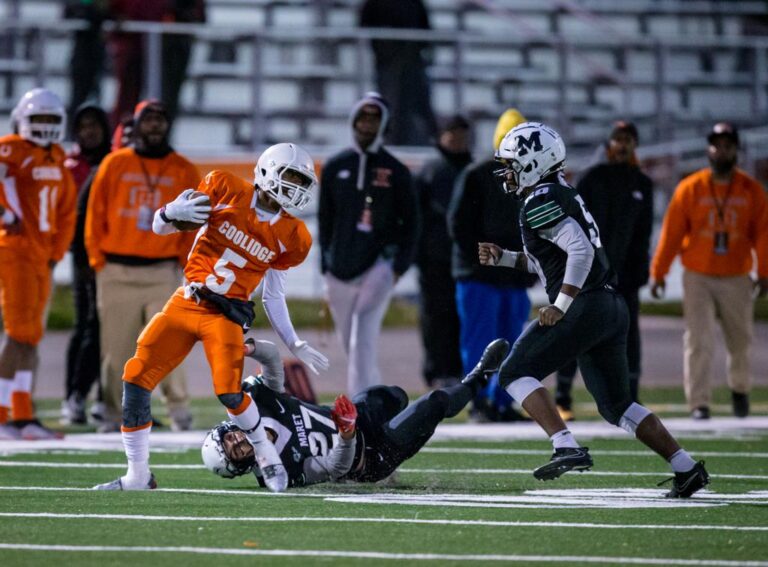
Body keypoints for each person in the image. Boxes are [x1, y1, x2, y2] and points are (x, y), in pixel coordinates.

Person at [482, 121, 709, 498]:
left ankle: (565, 444)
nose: (506, 173)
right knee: (617, 404)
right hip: (609, 304)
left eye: (510, 163)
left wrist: (561, 303)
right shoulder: (558, 194)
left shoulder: (539, 200)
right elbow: (549, 261)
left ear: (532, 161)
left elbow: (580, 252)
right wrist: (505, 258)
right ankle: (685, 467)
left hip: (585, 303)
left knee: (514, 372)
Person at [93, 142, 329, 492]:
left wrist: (294, 341)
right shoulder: (223, 187)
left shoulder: (294, 236)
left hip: (226, 314)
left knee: (230, 392)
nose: (295, 187)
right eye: (290, 175)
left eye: (301, 181)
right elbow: (161, 229)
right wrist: (169, 212)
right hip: (187, 299)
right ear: (267, 171)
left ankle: (267, 457)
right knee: (136, 376)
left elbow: (273, 294)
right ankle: (138, 475)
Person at [201, 337, 510, 488]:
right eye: (237, 452)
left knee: (394, 395)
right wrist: (347, 434)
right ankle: (479, 376)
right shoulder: (281, 472)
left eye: (230, 438)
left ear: (226, 428)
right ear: (242, 466)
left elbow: (271, 360)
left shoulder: (256, 402)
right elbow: (334, 468)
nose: (240, 441)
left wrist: (246, 346)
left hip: (358, 415)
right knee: (434, 404)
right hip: (369, 457)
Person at [85, 100, 199, 432]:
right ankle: (110, 411)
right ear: (136, 124)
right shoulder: (115, 163)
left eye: (160, 118)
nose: (154, 125)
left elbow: (197, 222)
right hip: (117, 270)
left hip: (163, 271)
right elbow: (94, 215)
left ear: (168, 124)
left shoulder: (183, 169)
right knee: (115, 351)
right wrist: (97, 261)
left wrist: (185, 264)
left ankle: (179, 411)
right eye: (147, 119)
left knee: (169, 345)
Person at [650, 122, 768, 420]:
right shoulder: (691, 188)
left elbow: (764, 234)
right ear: (708, 149)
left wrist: (763, 271)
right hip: (698, 273)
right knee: (698, 340)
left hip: (736, 274)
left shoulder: (751, 190)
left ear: (736, 150)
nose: (721, 150)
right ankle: (698, 402)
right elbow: (672, 233)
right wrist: (659, 272)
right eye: (717, 144)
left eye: (727, 145)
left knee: (740, 339)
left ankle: (740, 389)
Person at [319, 92, 419, 396]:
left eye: (374, 119)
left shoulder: (396, 171)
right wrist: (325, 263)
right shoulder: (336, 166)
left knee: (363, 329)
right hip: (339, 266)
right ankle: (375, 395)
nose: (367, 124)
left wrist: (399, 264)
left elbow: (413, 222)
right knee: (350, 338)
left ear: (383, 124)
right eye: (363, 117)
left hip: (380, 263)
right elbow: (325, 218)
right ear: (353, 120)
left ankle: (360, 404)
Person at [553, 121, 654, 420]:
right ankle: (563, 397)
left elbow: (643, 233)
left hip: (625, 278)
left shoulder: (641, 184)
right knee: (574, 333)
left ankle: (630, 397)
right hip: (589, 275)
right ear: (609, 143)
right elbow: (574, 225)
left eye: (628, 139)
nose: (622, 145)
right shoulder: (591, 179)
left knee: (628, 336)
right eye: (618, 139)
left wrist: (639, 271)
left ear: (634, 144)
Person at [447, 108, 536, 422]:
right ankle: (478, 401)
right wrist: (481, 259)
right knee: (480, 342)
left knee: (513, 343)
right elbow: (458, 225)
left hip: (511, 277)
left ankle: (502, 401)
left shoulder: (531, 179)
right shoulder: (477, 174)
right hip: (480, 277)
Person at [0, 88, 77, 440]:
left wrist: (55, 253)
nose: (45, 126)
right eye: (39, 119)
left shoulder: (57, 157)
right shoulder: (13, 147)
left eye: (50, 119)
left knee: (31, 337)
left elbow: (66, 213)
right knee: (19, 334)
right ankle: (4, 414)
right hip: (15, 250)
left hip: (42, 255)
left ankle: (23, 415)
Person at [62, 103, 113, 425]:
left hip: (113, 257)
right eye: (84, 125)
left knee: (110, 330)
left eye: (95, 124)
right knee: (88, 328)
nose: (89, 131)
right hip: (84, 257)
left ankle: (100, 398)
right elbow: (69, 213)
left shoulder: (114, 162)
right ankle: (74, 395)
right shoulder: (70, 165)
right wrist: (78, 255)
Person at [414, 115, 473, 388]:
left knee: (464, 317)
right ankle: (437, 371)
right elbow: (414, 218)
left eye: (462, 134)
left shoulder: (475, 171)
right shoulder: (429, 172)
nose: (457, 140)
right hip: (434, 261)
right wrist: (418, 255)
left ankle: (462, 369)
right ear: (441, 137)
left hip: (468, 260)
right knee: (435, 318)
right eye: (452, 134)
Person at [359, 0, 436, 146]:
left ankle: (428, 140)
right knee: (390, 104)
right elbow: (365, 26)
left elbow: (425, 30)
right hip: (387, 65)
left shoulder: (414, 3)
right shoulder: (374, 3)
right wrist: (385, 51)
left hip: (413, 63)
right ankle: (390, 141)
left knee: (419, 106)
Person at [161, 0, 206, 125]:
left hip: (179, 44)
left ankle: (166, 132)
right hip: (155, 43)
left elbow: (201, 17)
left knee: (171, 96)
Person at [64, 0, 108, 122]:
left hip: (96, 56)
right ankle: (73, 129)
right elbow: (72, 14)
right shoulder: (81, 5)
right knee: (78, 96)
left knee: (95, 96)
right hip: (82, 57)